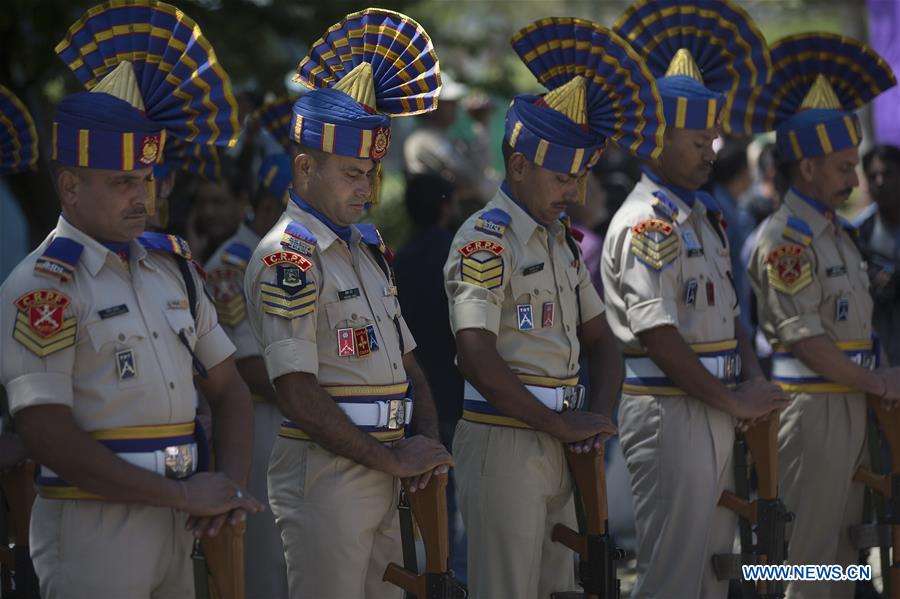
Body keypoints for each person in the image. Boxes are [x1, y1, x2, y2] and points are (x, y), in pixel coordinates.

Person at [0, 3, 263, 596]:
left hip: (182, 517)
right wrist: (183, 493)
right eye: (122, 182)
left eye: (146, 180)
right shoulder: (43, 286)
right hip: (93, 525)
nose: (142, 197)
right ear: (69, 185)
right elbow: (44, 433)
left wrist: (228, 491)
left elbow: (230, 392)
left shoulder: (173, 269)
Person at [444, 17, 664, 598]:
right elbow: (474, 355)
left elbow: (603, 342)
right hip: (506, 440)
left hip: (565, 438)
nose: (577, 194)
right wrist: (562, 425)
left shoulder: (559, 240)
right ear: (518, 166)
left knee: (560, 590)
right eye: (566, 178)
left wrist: (601, 421)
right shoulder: (484, 240)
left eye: (582, 178)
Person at [243, 9, 452, 598]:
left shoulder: (363, 247)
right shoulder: (290, 255)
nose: (366, 188)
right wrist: (396, 462)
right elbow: (297, 392)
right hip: (328, 478)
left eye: (372, 174)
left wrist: (428, 446)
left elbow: (409, 365)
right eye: (352, 173)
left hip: (391, 468)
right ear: (305, 166)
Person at [604, 2, 788, 596]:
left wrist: (752, 385)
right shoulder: (645, 223)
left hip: (714, 406)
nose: (712, 148)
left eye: (713, 135)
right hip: (670, 412)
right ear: (657, 139)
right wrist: (735, 403)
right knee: (673, 574)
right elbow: (659, 337)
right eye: (697, 138)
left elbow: (733, 319)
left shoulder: (702, 217)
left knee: (714, 573)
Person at [743, 32, 900, 598]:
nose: (856, 180)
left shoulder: (836, 233)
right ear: (806, 168)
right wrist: (879, 380)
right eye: (842, 167)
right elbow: (806, 339)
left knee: (845, 557)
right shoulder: (786, 239)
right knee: (807, 561)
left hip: (849, 403)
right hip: (812, 411)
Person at [201, 153, 289, 599]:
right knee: (266, 560)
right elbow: (247, 367)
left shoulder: (294, 255)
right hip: (260, 426)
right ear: (271, 207)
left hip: (298, 421)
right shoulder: (230, 265)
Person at [859, 145, 900, 366]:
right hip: (881, 360)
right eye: (873, 176)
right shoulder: (858, 234)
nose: (880, 182)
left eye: (888, 173)